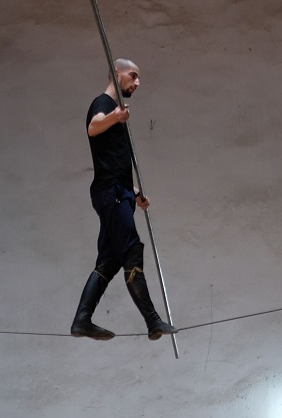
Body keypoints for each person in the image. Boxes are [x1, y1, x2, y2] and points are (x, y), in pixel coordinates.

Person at [71, 58, 178, 342]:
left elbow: (113, 165)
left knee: (109, 261)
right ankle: (153, 321)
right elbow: (93, 127)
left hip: (117, 192)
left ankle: (82, 320)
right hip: (111, 194)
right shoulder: (103, 103)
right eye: (133, 76)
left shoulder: (114, 112)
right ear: (117, 74)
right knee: (131, 250)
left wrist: (134, 192)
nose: (137, 82)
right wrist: (114, 118)